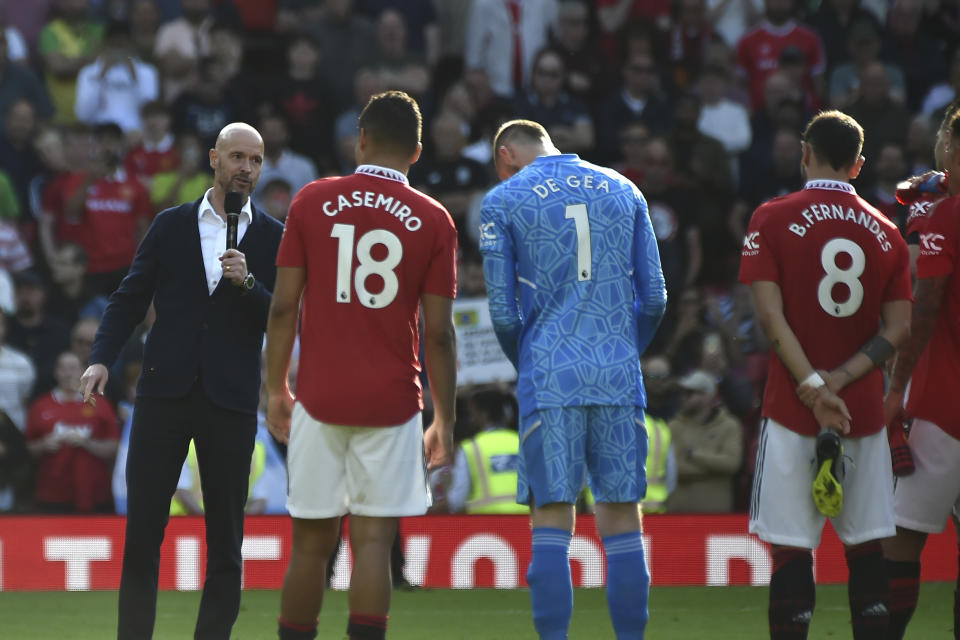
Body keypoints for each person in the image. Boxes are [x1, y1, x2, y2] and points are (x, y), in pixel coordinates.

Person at [79, 122, 284, 640]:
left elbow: (284, 317)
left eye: (255, 161)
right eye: (237, 157)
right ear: (214, 158)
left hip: (232, 403)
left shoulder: (274, 237)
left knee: (226, 544)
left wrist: (250, 283)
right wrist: (101, 358)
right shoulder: (170, 224)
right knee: (143, 537)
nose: (246, 168)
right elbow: (129, 297)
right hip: (162, 396)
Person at [265, 90, 458, 640]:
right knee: (372, 542)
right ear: (417, 152)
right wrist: (444, 418)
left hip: (320, 397)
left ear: (362, 139)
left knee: (311, 544)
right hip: (393, 402)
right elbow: (439, 334)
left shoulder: (310, 200)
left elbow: (283, 307)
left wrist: (276, 386)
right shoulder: (434, 219)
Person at [479, 119, 666, 640]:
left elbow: (503, 312)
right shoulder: (624, 189)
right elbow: (654, 297)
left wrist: (533, 364)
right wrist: (623, 350)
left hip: (549, 371)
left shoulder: (502, 199)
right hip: (616, 370)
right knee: (623, 520)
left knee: (552, 523)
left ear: (507, 152)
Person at [738, 110, 912, 640]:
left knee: (792, 547)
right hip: (859, 409)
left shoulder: (770, 218)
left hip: (794, 409)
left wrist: (814, 387)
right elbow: (899, 326)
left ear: (804, 155)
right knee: (868, 548)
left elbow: (770, 317)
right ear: (858, 165)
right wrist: (841, 380)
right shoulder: (888, 233)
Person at [881, 110, 960, 639]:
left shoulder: (944, 212)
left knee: (901, 540)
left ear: (950, 142)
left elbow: (923, 304)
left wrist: (894, 386)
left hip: (942, 402)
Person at [26, 351, 119, 513]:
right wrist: (43, 445)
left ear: (83, 371)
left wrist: (87, 443)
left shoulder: (100, 405)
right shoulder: (40, 406)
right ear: (56, 372)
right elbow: (25, 449)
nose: (68, 373)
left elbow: (114, 447)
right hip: (51, 495)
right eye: (63, 368)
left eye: (73, 368)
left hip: (95, 493)